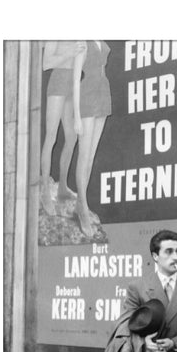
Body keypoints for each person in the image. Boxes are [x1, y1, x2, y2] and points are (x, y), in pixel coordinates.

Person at [72, 40, 112, 237]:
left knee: (91, 157)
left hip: (103, 93)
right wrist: (77, 116)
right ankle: (83, 208)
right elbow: (75, 79)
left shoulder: (102, 42)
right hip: (87, 95)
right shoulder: (82, 42)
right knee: (84, 155)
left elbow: (102, 68)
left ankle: (81, 203)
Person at [40, 41, 85, 216]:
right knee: (51, 137)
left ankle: (63, 187)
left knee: (72, 137)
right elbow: (46, 64)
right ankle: (45, 191)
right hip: (58, 82)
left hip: (74, 84)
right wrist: (70, 53)